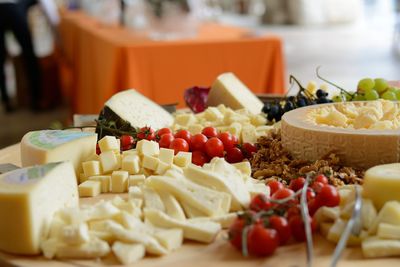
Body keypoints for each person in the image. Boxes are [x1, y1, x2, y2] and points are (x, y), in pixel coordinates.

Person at [0, 0, 59, 113]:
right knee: (29, 55)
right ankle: (36, 100)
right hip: (13, 8)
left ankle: (6, 101)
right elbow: (49, 9)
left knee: (1, 59)